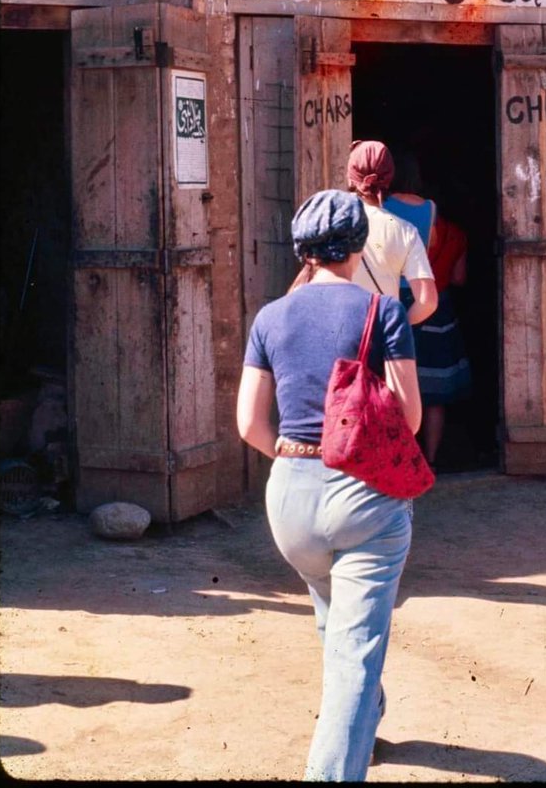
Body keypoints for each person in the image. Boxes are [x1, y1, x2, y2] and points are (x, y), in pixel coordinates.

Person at [236, 189, 422, 781]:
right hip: (361, 492)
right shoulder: (381, 313)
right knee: (356, 649)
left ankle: (366, 716)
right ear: (358, 245)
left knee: (334, 614)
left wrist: (296, 455)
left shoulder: (270, 317)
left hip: (288, 497)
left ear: (304, 250)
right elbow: (410, 418)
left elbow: (249, 425)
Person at [384, 151, 472, 467]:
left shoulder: (380, 210)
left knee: (395, 382)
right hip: (436, 306)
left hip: (397, 297)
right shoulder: (442, 222)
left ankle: (400, 458)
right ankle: (431, 459)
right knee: (433, 391)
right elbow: (457, 277)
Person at [346, 140, 438, 326]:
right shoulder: (429, 208)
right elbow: (432, 242)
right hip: (412, 288)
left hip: (370, 296)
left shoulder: (380, 206)